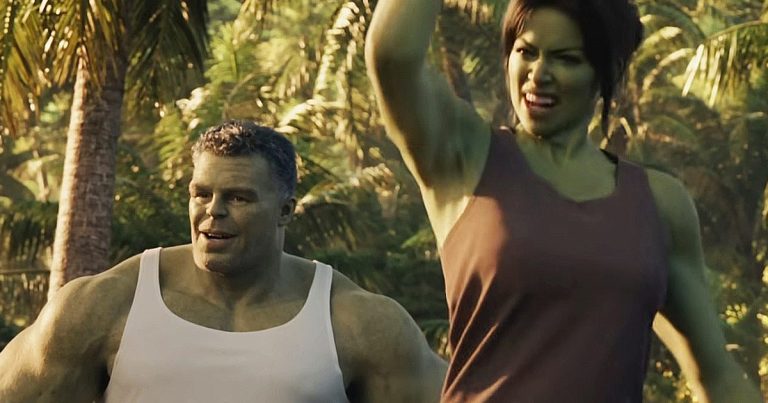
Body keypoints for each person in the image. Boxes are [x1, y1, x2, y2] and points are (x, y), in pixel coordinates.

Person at [366, 0, 763, 402]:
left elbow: (717, 378)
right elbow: (392, 55)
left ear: (605, 73)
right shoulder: (464, 157)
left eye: (567, 59)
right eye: (526, 51)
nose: (538, 74)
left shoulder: (660, 204)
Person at [0, 120, 446, 402]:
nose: (213, 211)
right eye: (201, 194)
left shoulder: (358, 323)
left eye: (238, 197)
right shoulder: (102, 307)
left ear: (285, 211)